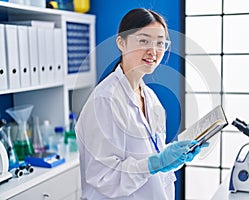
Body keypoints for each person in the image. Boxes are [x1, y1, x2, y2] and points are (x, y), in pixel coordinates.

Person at [75, 8, 209, 200]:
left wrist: (171, 159)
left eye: (160, 43)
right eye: (144, 41)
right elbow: (103, 177)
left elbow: (151, 152)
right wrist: (155, 163)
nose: (153, 51)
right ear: (122, 43)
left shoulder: (150, 97)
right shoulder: (104, 100)